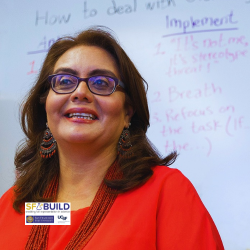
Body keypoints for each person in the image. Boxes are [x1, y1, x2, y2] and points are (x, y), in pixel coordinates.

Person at [0, 26, 224, 250]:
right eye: (65, 81)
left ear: (128, 112)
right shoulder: (12, 205)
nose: (79, 92)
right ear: (45, 106)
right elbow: (63, 219)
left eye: (101, 83)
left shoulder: (166, 193)